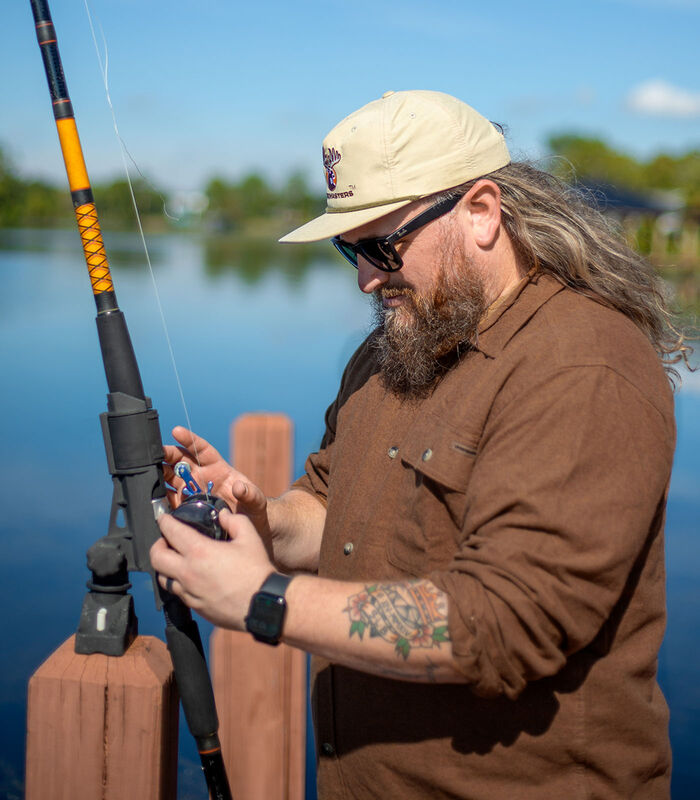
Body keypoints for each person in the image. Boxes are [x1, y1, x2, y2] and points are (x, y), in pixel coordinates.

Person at [150, 90, 689, 799]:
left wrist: (265, 599)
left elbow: (505, 620)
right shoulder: (392, 347)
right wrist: (256, 522)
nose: (369, 277)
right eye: (350, 249)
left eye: (382, 245)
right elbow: (329, 505)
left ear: (481, 212)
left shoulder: (584, 367)